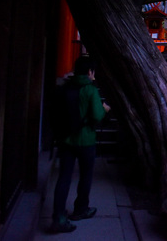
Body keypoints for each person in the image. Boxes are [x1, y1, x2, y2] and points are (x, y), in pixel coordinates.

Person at [50, 55, 111, 233]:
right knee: (85, 176)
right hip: (86, 140)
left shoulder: (65, 87)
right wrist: (105, 109)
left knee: (64, 178)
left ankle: (58, 217)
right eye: (94, 72)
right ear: (90, 72)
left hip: (66, 139)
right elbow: (97, 115)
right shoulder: (90, 90)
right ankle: (80, 210)